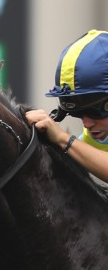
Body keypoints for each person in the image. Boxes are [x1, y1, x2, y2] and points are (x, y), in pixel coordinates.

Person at [26, 29, 108, 182]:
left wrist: (63, 139)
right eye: (78, 112)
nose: (86, 123)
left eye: (94, 111)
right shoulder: (93, 137)